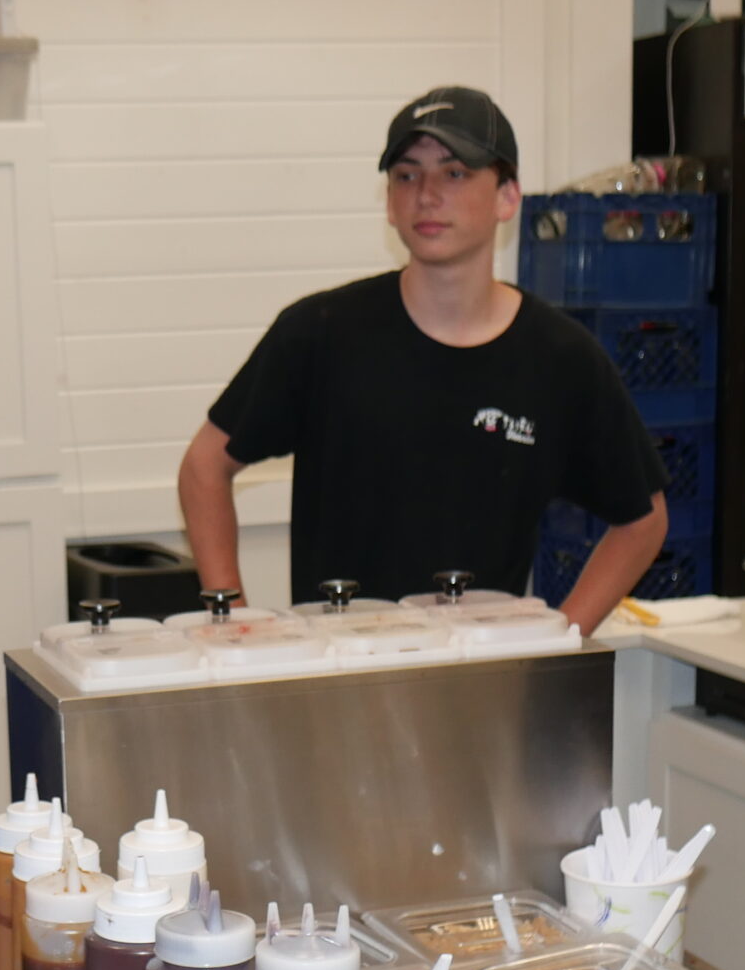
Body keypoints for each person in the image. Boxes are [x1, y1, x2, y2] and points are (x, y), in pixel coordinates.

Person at [177, 86, 669, 625]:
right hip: (335, 680)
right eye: (407, 175)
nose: (427, 194)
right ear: (389, 203)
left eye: (454, 173)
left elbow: (643, 520)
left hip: (482, 685)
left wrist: (558, 638)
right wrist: (231, 622)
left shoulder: (561, 358)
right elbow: (204, 468)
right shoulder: (321, 334)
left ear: (508, 196)